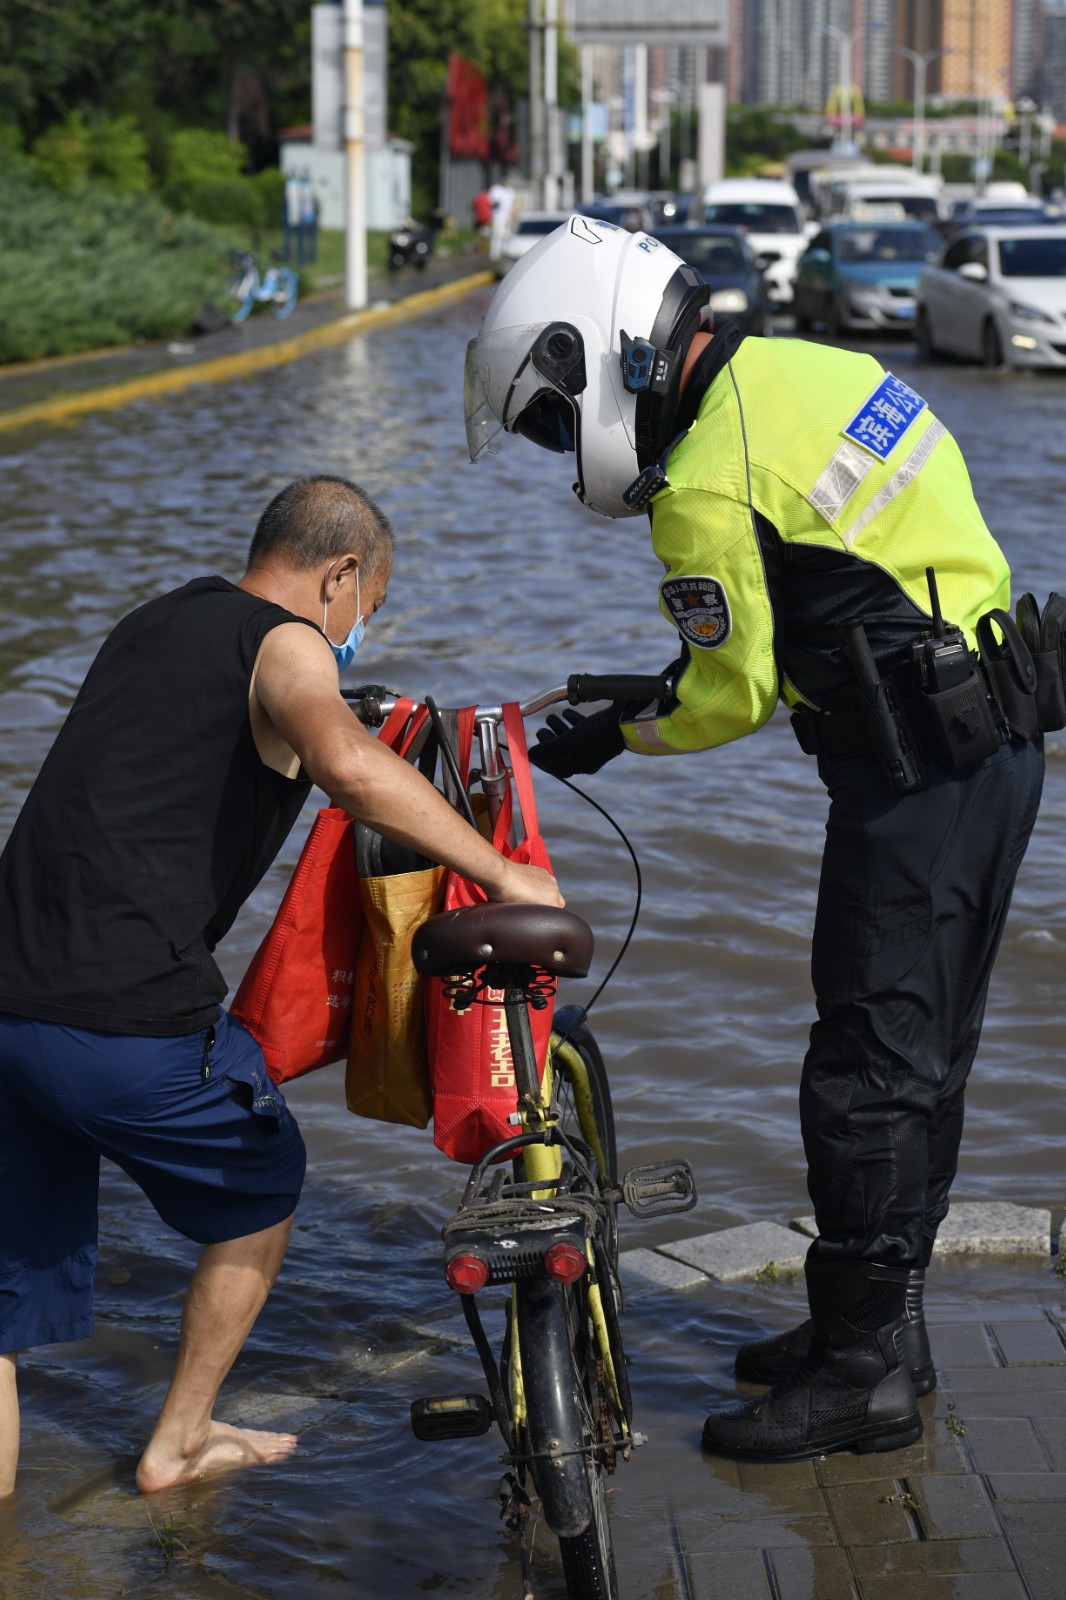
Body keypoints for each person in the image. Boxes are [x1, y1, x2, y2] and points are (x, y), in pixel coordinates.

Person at [462, 216, 1046, 1463]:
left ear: (605, 356)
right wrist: (661, 685)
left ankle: (861, 1373)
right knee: (923, 1060)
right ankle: (884, 1328)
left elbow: (730, 692)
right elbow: (845, 581)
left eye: (558, 420)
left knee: (864, 1069)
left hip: (913, 776)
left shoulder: (701, 484)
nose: (571, 448)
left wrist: (618, 738)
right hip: (995, 738)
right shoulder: (815, 370)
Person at [0, 475, 561, 1500]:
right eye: (370, 610)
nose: (357, 632)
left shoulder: (155, 619)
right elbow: (344, 759)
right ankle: (180, 1438)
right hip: (122, 1017)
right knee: (262, 1178)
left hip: (6, 998)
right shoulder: (287, 641)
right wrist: (498, 866)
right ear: (340, 575)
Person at [487, 176, 515, 262]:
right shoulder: (496, 189)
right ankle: (494, 254)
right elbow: (491, 201)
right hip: (497, 216)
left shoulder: (510, 191)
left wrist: (511, 217)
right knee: (496, 234)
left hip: (506, 217)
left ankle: (503, 252)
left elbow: (511, 205)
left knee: (506, 235)